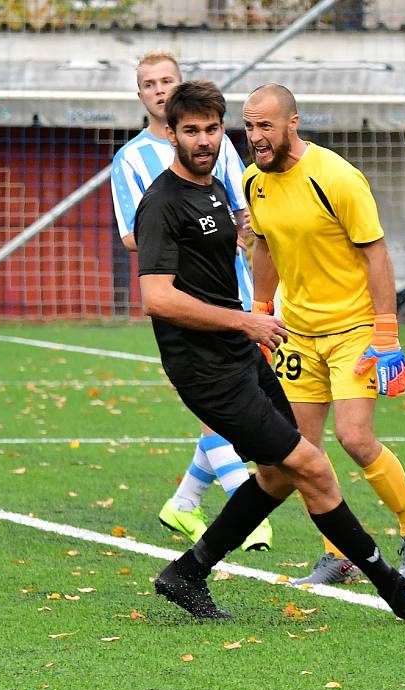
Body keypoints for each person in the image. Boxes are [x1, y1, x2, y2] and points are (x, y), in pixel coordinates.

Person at [135, 79, 405, 620]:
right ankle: (395, 588)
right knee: (313, 464)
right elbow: (157, 298)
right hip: (209, 367)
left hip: (250, 350)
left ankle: (187, 572)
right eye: (192, 131)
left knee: (283, 472)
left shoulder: (221, 187)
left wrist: (382, 331)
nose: (206, 139)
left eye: (214, 129)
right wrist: (249, 317)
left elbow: (265, 247)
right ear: (171, 135)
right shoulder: (164, 202)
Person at [241, 84, 405, 585]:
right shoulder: (252, 182)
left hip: (354, 329)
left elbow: (377, 253)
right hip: (297, 335)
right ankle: (339, 553)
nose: (256, 137)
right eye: (248, 126)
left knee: (354, 437)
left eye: (265, 125)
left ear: (293, 123)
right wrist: (262, 311)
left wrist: (387, 335)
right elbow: (263, 249)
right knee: (302, 454)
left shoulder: (337, 178)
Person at [110, 50, 272, 551]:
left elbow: (240, 215)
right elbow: (132, 235)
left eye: (167, 81)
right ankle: (246, 505)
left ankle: (182, 504)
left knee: (238, 405)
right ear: (141, 96)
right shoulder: (132, 160)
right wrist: (191, 235)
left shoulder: (216, 146)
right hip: (186, 300)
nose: (159, 89)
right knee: (221, 408)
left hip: (239, 296)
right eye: (149, 83)